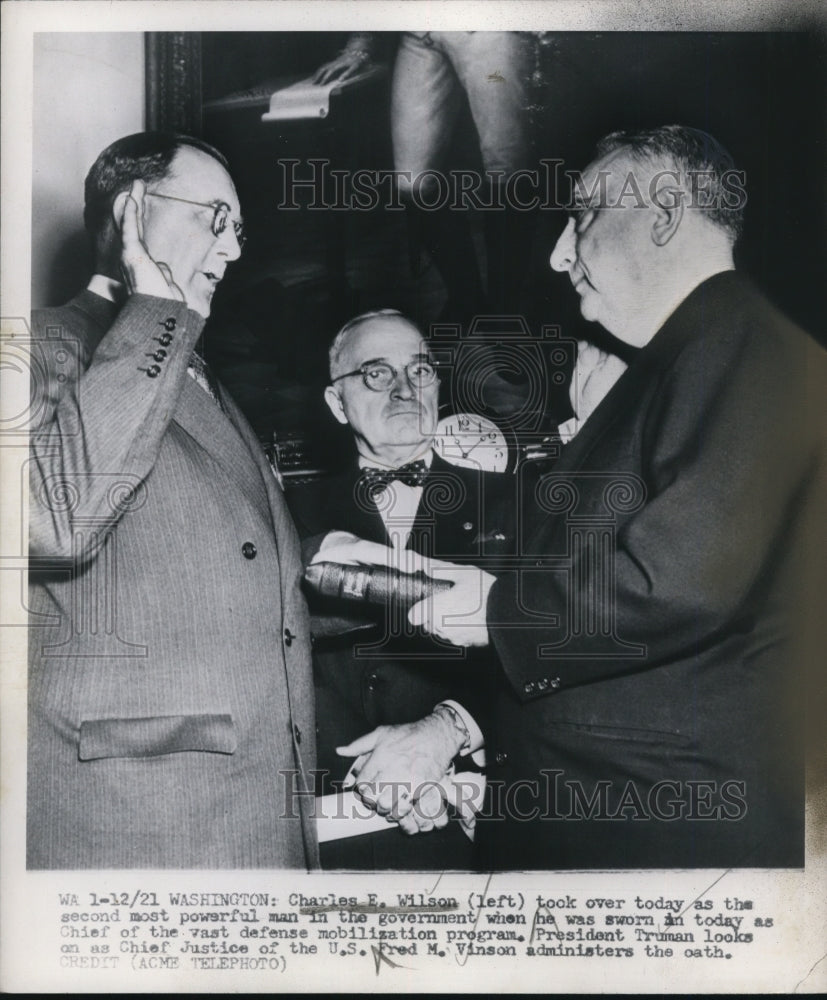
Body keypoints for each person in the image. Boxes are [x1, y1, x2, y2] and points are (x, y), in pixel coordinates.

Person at [398, 125, 826, 868]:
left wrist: (496, 613)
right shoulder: (695, 358)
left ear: (663, 214)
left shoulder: (744, 348)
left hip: (655, 828)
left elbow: (680, 578)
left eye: (583, 215)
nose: (559, 253)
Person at [27, 132, 318, 869]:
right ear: (132, 210)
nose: (234, 249)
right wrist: (156, 308)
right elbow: (54, 518)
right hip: (142, 820)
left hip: (247, 808)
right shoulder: (34, 346)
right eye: (215, 218)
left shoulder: (194, 365)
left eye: (240, 228)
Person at [286, 309, 515, 869]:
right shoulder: (283, 517)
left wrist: (449, 731)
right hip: (335, 815)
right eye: (376, 373)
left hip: (474, 810)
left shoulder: (520, 501)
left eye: (420, 370)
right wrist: (371, 773)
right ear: (337, 403)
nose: (405, 389)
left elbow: (553, 651)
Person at [314, 32, 537, 322]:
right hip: (420, 33)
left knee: (508, 171)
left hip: (489, 28)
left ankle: (505, 312)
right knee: (413, 184)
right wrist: (360, 44)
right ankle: (466, 299)